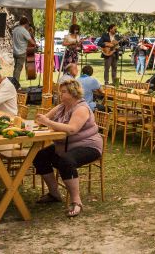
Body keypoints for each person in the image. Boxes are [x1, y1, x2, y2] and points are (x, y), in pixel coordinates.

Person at [34, 79, 103, 217]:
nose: (60, 94)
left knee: (66, 160)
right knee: (40, 156)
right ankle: (54, 194)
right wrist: (42, 120)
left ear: (73, 93)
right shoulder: (62, 107)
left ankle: (76, 202)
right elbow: (43, 119)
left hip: (88, 145)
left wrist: (48, 122)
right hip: (65, 145)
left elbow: (72, 129)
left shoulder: (81, 108)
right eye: (60, 91)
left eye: (64, 92)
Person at [11, 17, 36, 89]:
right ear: (26, 23)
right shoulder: (24, 31)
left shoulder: (15, 29)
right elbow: (31, 42)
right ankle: (15, 85)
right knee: (18, 69)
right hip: (21, 52)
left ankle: (14, 83)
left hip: (15, 52)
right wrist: (36, 44)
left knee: (16, 68)